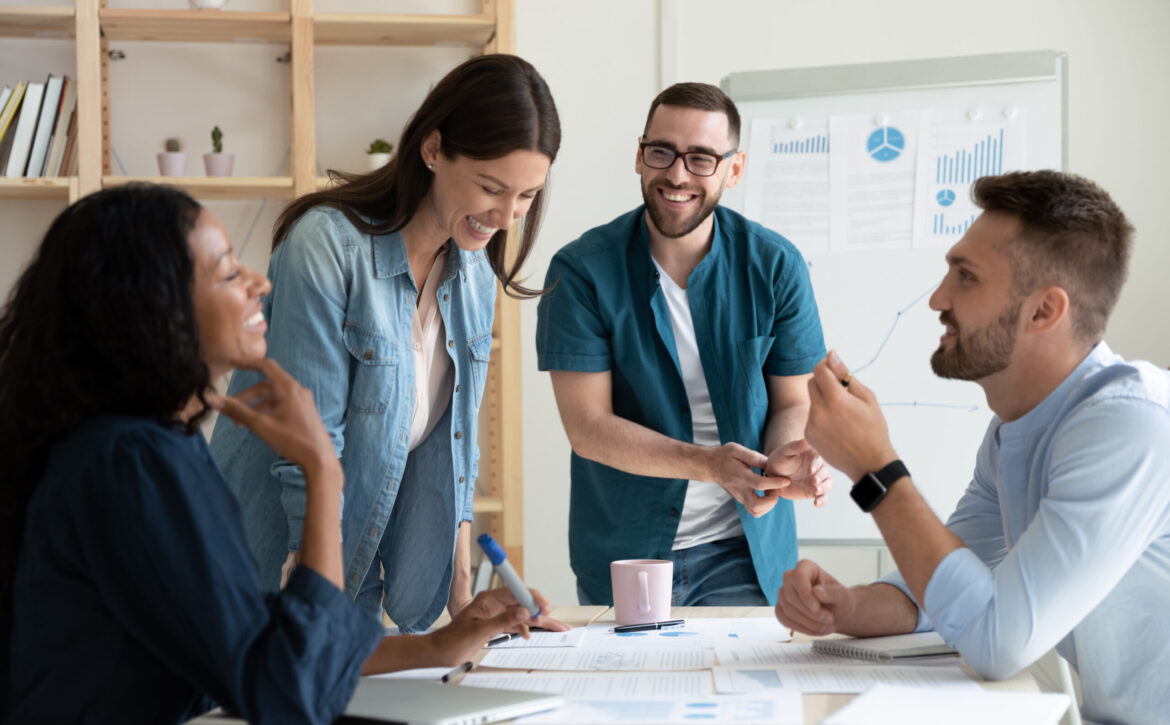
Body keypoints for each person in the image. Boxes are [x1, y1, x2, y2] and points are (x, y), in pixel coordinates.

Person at [0, 185, 564, 723]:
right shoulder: (132, 464)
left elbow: (258, 638)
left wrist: (437, 646)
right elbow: (288, 689)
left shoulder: (144, 447)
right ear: (156, 309)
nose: (258, 283)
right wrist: (321, 471)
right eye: (227, 272)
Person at [776, 170, 1170, 724]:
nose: (938, 298)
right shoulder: (1018, 427)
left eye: (965, 277)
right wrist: (851, 606)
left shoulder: (1130, 427)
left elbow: (995, 639)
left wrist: (874, 468)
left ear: (1043, 311)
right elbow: (954, 579)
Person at [209, 54, 560, 630]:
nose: (505, 216)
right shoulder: (327, 246)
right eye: (491, 188)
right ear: (432, 149)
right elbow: (310, 443)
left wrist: (464, 599)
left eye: (526, 196)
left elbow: (458, 445)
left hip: (356, 565)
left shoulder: (473, 272)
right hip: (270, 567)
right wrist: (312, 603)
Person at [535, 82, 830, 607]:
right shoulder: (581, 271)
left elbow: (794, 400)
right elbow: (589, 429)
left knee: (744, 690)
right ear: (639, 157)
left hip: (744, 550)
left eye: (701, 158)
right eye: (661, 152)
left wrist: (781, 460)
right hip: (626, 555)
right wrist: (710, 465)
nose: (677, 174)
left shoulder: (776, 266)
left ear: (733, 170)